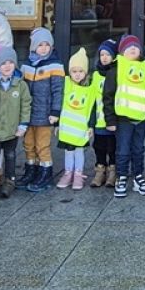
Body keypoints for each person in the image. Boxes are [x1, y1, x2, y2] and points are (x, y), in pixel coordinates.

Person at [21, 26, 66, 193]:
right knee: (28, 144)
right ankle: (31, 170)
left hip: (45, 114)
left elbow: (58, 91)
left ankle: (45, 173)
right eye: (40, 45)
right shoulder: (26, 65)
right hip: (28, 114)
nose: (44, 48)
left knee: (42, 145)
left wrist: (55, 112)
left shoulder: (55, 65)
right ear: (33, 46)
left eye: (47, 45)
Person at [111, 34, 145, 198]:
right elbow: (108, 95)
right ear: (121, 51)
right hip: (123, 118)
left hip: (140, 117)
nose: (132, 49)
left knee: (138, 149)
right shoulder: (117, 68)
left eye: (136, 46)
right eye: (128, 47)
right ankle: (121, 176)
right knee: (122, 150)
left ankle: (138, 175)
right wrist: (110, 119)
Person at [0, 44, 30, 199]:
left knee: (10, 155)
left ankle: (10, 180)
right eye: (3, 63)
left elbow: (26, 105)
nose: (7, 66)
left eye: (10, 62)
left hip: (12, 129)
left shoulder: (21, 85)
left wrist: (23, 124)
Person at [56, 48, 105, 190]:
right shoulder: (66, 85)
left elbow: (92, 108)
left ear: (86, 72)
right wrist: (57, 124)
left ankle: (78, 174)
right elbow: (60, 104)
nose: (77, 74)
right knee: (68, 151)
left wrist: (91, 126)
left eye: (80, 71)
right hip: (67, 127)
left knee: (79, 151)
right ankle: (68, 173)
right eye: (74, 71)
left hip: (81, 127)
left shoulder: (90, 88)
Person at [92, 39, 119, 190]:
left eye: (108, 54)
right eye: (102, 54)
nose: (104, 57)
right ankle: (100, 170)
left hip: (112, 119)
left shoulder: (117, 72)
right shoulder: (96, 74)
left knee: (112, 146)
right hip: (99, 119)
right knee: (99, 146)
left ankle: (112, 171)